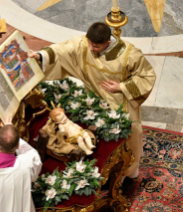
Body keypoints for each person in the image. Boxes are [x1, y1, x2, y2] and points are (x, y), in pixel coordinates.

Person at [29, 22, 156, 179]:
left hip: (121, 105)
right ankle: (104, 170)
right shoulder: (84, 45)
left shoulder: (130, 55)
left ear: (107, 42)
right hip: (95, 102)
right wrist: (40, 56)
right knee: (98, 140)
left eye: (95, 46)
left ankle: (130, 171)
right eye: (89, 43)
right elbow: (62, 50)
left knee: (130, 138)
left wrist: (122, 86)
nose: (90, 48)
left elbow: (147, 76)